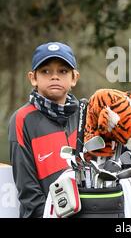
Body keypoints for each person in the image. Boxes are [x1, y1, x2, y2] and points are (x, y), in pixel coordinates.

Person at [8, 42, 80, 217]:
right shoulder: (22, 119)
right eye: (45, 71)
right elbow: (28, 191)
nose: (54, 77)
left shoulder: (84, 115)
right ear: (33, 78)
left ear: (74, 78)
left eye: (63, 71)